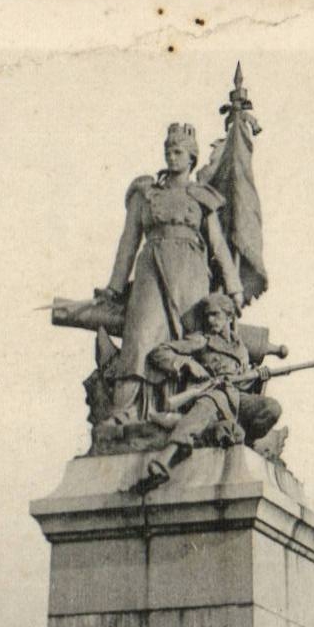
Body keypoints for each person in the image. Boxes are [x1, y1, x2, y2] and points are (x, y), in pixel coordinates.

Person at [100, 123, 244, 421]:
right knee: (140, 337)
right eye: (168, 151)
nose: (171, 157)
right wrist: (114, 287)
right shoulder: (145, 193)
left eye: (178, 152)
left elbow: (217, 244)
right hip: (151, 271)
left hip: (191, 276)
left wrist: (234, 288)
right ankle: (125, 412)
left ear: (192, 158)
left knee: (190, 341)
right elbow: (128, 242)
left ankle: (186, 415)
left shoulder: (203, 197)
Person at [139, 293, 282, 487]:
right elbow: (159, 352)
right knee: (209, 403)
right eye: (207, 315)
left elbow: (240, 382)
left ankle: (243, 439)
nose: (210, 320)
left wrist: (257, 376)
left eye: (215, 315)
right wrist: (187, 363)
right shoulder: (202, 341)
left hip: (235, 399)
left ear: (229, 317)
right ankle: (167, 457)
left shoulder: (241, 349)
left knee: (272, 408)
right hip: (210, 393)